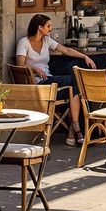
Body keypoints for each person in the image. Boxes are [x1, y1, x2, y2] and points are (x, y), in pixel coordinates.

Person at [16, 14, 96, 145]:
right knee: (75, 80)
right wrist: (35, 69)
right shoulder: (24, 43)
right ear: (39, 27)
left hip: (49, 81)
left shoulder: (46, 40)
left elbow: (65, 50)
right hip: (38, 84)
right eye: (48, 26)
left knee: (75, 88)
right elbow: (20, 64)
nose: (50, 28)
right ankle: (75, 129)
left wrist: (84, 56)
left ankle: (74, 129)